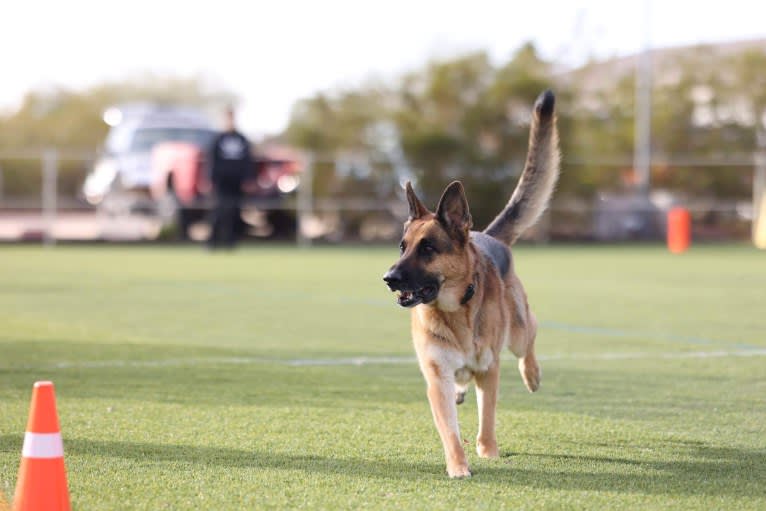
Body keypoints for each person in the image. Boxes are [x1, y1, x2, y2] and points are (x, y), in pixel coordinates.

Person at [207, 107, 252, 249]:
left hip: (236, 182)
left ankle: (230, 242)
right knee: (219, 211)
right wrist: (210, 179)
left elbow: (247, 161)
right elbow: (212, 161)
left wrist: (248, 178)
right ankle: (212, 242)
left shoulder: (242, 139)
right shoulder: (218, 139)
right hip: (221, 182)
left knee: (234, 212)